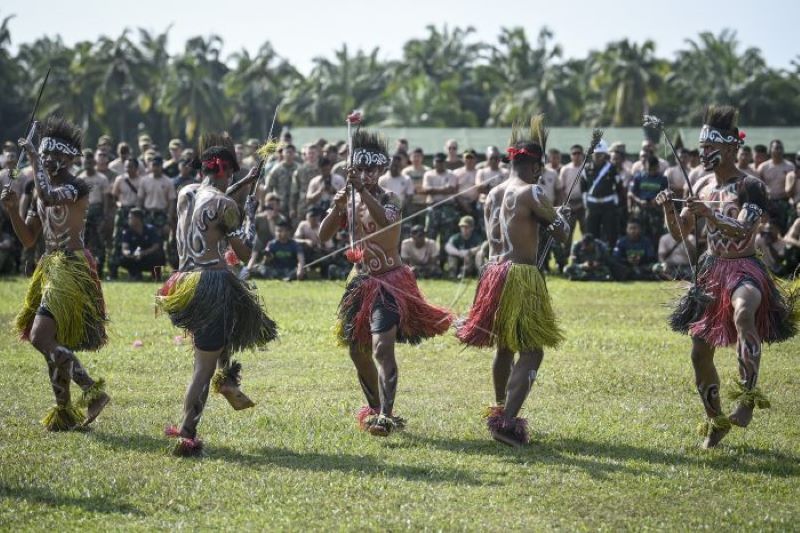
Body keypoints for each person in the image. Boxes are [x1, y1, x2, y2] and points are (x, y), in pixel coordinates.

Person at [655, 105, 797, 448]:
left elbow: (745, 228)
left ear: (733, 148)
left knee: (744, 312)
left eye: (710, 147)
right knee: (698, 354)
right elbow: (680, 232)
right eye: (702, 147)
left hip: (745, 267)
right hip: (711, 270)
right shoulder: (701, 183)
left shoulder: (751, 186)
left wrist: (712, 217)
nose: (704, 153)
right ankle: (715, 420)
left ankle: (747, 397)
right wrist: (668, 209)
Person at [318, 128, 453, 437]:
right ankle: (376, 408)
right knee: (357, 351)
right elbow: (323, 237)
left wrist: (362, 192)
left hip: (389, 283)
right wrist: (338, 206)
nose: (365, 174)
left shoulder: (390, 198)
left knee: (382, 349)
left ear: (380, 170)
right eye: (360, 169)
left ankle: (386, 416)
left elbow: (386, 223)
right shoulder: (349, 201)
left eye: (371, 169)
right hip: (360, 283)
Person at [158, 133, 277, 456]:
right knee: (202, 366)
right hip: (211, 282)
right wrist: (249, 212)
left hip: (183, 281)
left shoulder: (186, 192)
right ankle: (187, 431)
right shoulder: (226, 206)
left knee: (225, 333)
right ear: (228, 171)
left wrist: (240, 187)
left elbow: (208, 201)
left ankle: (228, 379)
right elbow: (242, 249)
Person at [457, 116, 570, 446]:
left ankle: (500, 410)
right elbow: (561, 233)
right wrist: (561, 218)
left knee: (504, 346)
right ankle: (507, 422)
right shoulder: (533, 190)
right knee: (533, 351)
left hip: (493, 273)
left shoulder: (491, 194)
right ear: (534, 166)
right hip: (521, 274)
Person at [0, 115, 110, 431]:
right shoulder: (38, 186)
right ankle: (63, 413)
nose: (47, 160)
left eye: (52, 156)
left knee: (40, 337)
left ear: (68, 158)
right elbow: (29, 238)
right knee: (53, 340)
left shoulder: (77, 187)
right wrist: (11, 210)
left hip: (71, 267)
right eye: (44, 155)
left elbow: (50, 196)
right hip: (48, 267)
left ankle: (91, 390)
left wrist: (33, 156)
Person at [582, 139, 625, 248]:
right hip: (592, 205)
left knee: (611, 233)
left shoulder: (612, 168)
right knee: (591, 233)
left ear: (605, 155)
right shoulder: (586, 169)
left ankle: (610, 256)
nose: (598, 157)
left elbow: (619, 187)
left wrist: (617, 203)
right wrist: (586, 204)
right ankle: (593, 256)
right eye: (596, 154)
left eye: (600, 154)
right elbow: (583, 188)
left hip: (608, 205)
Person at [77, 149, 112, 278]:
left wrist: (106, 216)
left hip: (98, 211)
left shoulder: (102, 178)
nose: (88, 164)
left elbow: (107, 198)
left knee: (100, 242)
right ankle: (83, 270)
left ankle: (101, 270)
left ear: (94, 162)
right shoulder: (80, 178)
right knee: (82, 242)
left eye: (90, 161)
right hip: (84, 212)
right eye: (85, 161)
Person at [422, 153, 458, 267]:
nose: (439, 164)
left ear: (445, 162)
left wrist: (434, 190)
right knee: (430, 236)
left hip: (447, 208)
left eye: (441, 162)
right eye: (437, 162)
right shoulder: (428, 174)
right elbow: (426, 190)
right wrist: (443, 189)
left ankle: (442, 264)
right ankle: (430, 263)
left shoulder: (451, 174)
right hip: (433, 207)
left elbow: (451, 190)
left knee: (446, 237)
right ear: (434, 162)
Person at [108, 158, 142, 280]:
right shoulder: (120, 179)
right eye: (126, 166)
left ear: (137, 168)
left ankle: (135, 271)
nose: (128, 169)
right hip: (122, 211)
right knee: (117, 239)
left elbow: (142, 197)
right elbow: (114, 196)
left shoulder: (141, 181)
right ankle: (113, 272)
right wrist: (118, 205)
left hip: (135, 211)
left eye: (131, 167)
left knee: (136, 239)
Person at [629, 155, 669, 244]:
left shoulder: (663, 179)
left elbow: (666, 193)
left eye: (654, 169)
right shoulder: (638, 177)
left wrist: (656, 200)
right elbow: (632, 193)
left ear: (658, 167)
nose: (651, 171)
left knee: (656, 234)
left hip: (656, 211)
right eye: (649, 169)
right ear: (645, 166)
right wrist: (639, 201)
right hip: (641, 210)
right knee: (640, 234)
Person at [757, 140, 795, 233]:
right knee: (768, 228)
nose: (779, 150)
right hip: (768, 202)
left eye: (781, 148)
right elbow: (759, 186)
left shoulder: (790, 166)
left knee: (785, 227)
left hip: (784, 201)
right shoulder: (763, 167)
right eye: (776, 148)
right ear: (770, 150)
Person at [119, 208, 165, 280]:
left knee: (158, 256)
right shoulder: (127, 232)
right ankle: (135, 274)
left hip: (148, 256)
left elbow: (156, 246)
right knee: (123, 259)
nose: (128, 220)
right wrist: (128, 254)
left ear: (138, 219)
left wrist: (144, 253)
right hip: (135, 257)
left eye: (131, 218)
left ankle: (156, 275)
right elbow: (125, 248)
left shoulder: (150, 229)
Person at [401, 147, 430, 215]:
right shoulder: (405, 172)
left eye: (418, 156)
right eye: (414, 156)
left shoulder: (427, 171)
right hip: (410, 204)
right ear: (410, 158)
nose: (416, 159)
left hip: (424, 204)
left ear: (422, 158)